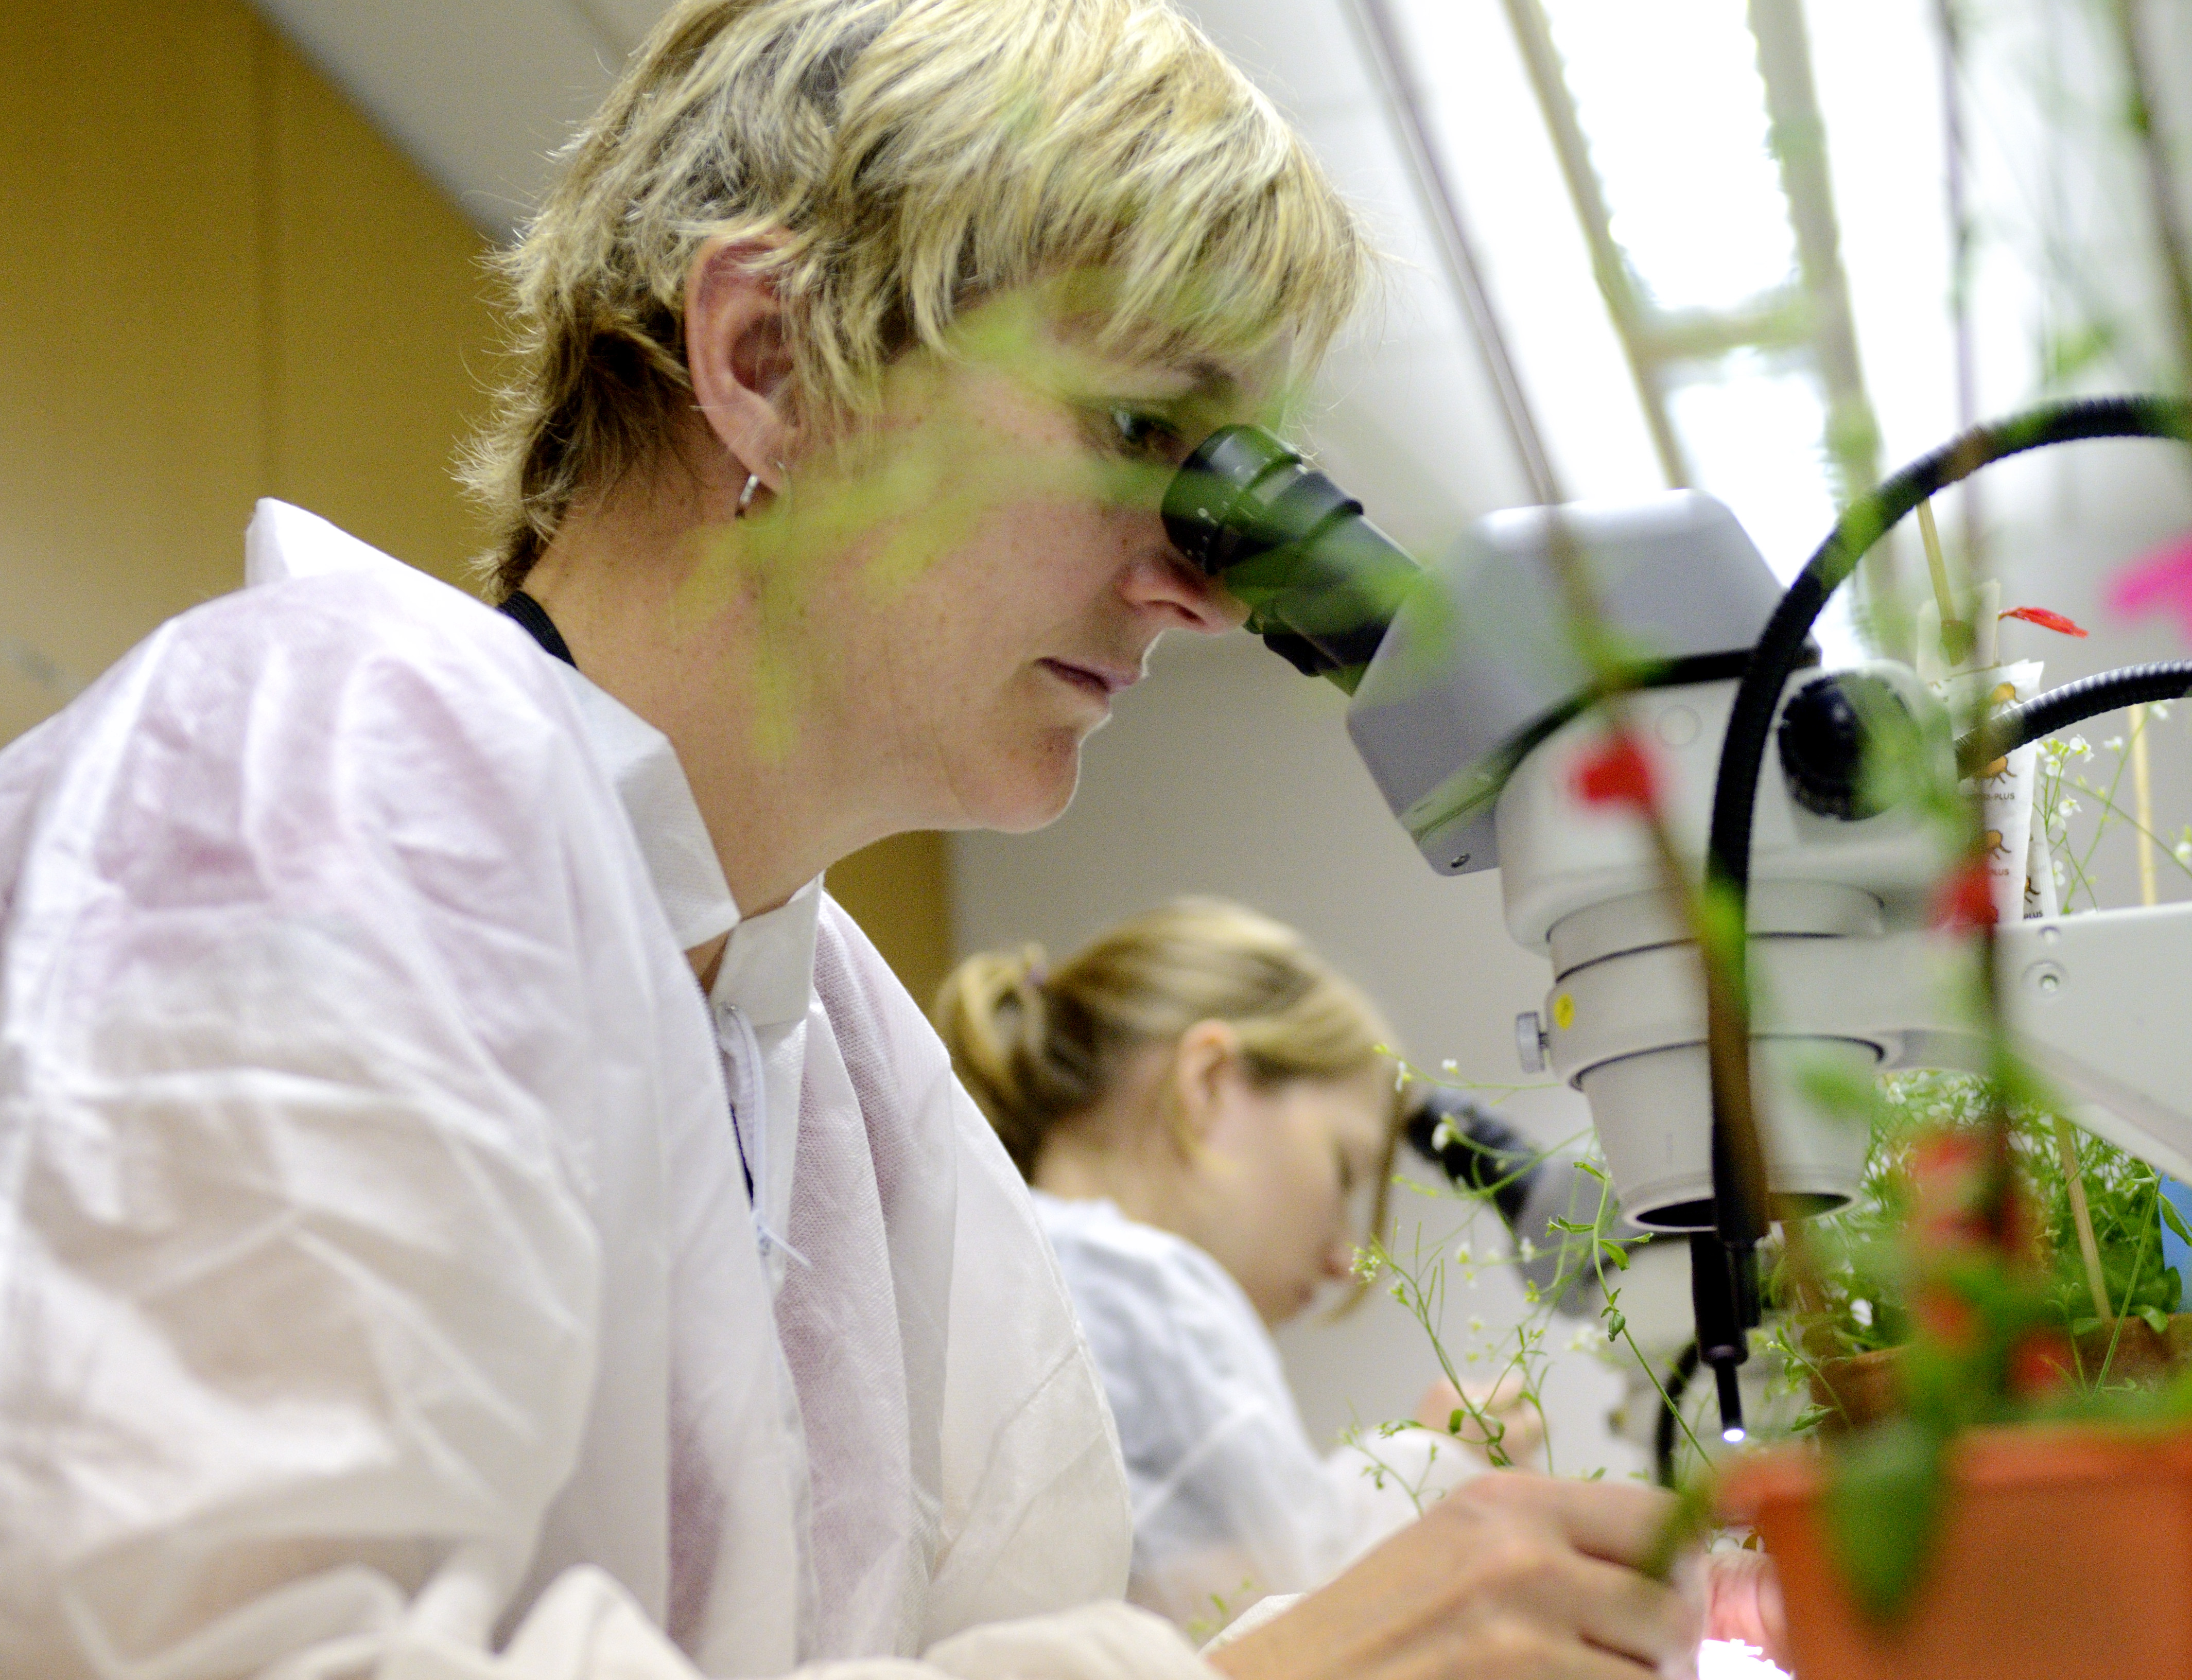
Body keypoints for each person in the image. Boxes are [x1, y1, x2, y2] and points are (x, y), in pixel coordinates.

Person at [0, 2, 1708, 1677]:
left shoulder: (842, 1064)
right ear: (770, 362)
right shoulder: (316, 772)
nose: (1200, 591)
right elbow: (190, 1642)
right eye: (1138, 435)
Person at [935, 899, 1545, 1631]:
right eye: (1344, 1171)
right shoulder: (1135, 1287)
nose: (1346, 1262)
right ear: (1210, 1082)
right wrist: (1433, 1467)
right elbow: (1299, 1632)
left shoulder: (1000, 1271)